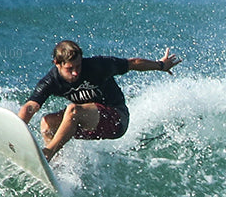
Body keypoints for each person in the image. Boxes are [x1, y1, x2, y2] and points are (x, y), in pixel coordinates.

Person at [17, 40, 181, 160]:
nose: (75, 72)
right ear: (57, 64)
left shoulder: (98, 66)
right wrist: (15, 129)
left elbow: (132, 63)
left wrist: (161, 65)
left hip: (117, 119)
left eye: (78, 66)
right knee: (47, 123)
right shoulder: (51, 81)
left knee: (73, 110)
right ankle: (56, 165)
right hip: (89, 124)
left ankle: (48, 153)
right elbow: (31, 106)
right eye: (70, 68)